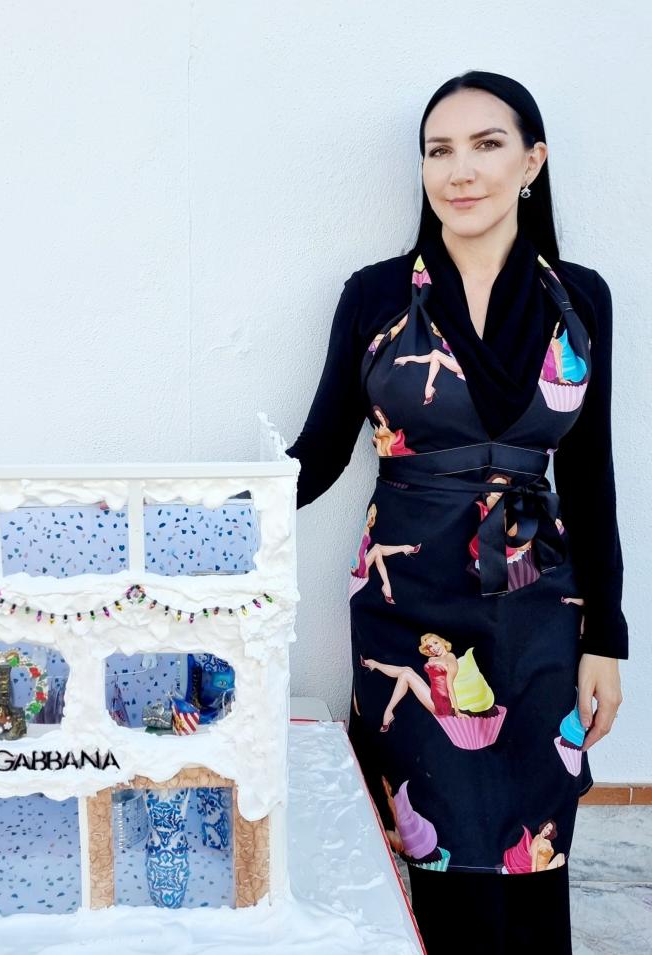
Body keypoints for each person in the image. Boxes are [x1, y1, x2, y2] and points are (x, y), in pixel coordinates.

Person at [285, 71, 627, 955]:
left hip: (541, 611)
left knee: (534, 858)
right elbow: (319, 454)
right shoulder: (375, 295)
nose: (459, 170)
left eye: (486, 145)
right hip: (409, 616)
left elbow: (590, 472)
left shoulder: (580, 296)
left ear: (532, 162)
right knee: (433, 868)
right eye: (440, 150)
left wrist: (607, 640)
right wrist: (199, 516)